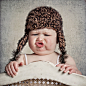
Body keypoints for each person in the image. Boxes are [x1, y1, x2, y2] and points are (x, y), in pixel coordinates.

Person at [5, 6, 82, 77]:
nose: (40, 39)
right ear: (27, 37)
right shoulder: (22, 59)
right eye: (35, 34)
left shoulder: (65, 59)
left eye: (46, 35)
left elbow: (80, 78)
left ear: (58, 39)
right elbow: (8, 78)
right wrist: (11, 67)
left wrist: (74, 71)